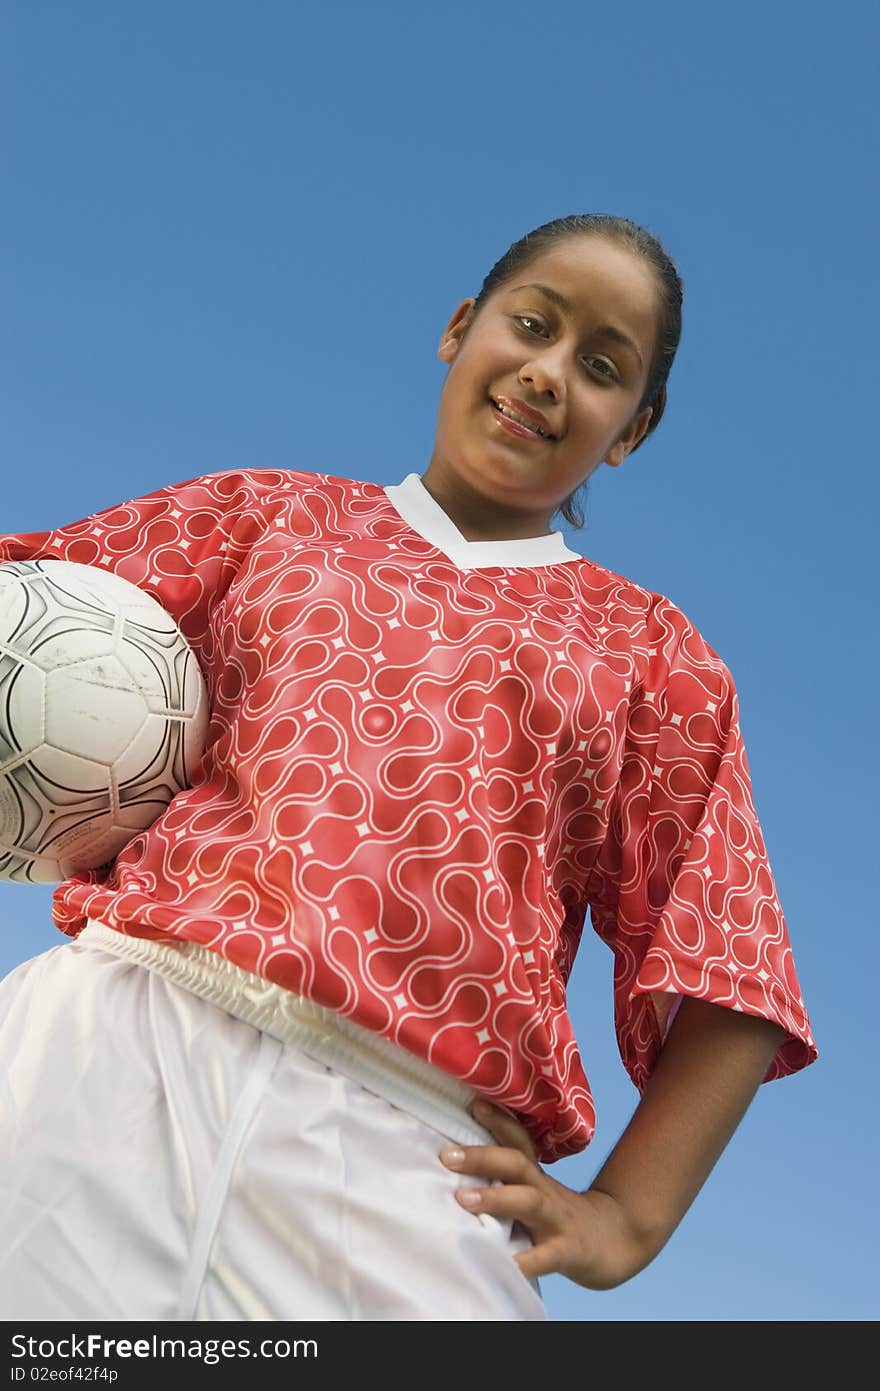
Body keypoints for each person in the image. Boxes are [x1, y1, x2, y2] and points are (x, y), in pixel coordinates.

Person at [0, 212, 817, 1321]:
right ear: (459, 327)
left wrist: (623, 1218)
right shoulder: (264, 517)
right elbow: (29, 617)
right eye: (531, 323)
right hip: (107, 1051)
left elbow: (734, 972)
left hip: (409, 1156)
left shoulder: (655, 657)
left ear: (631, 430)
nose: (546, 372)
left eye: (602, 366)